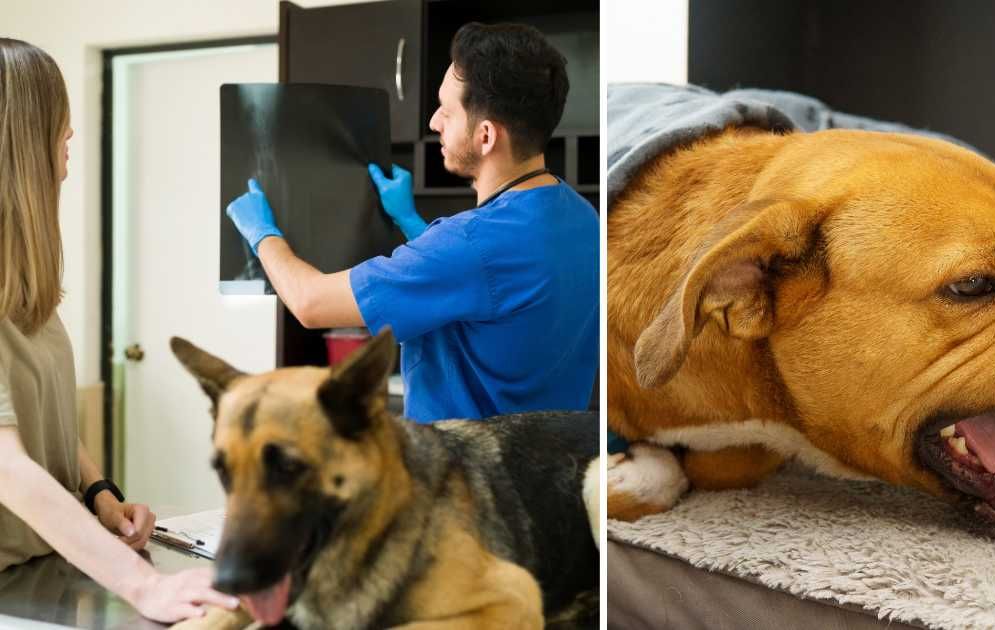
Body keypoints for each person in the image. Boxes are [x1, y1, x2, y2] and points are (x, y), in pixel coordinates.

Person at [226, 23, 599, 422]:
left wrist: (262, 233)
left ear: (486, 136)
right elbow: (483, 288)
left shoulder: (469, 244)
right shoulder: (582, 217)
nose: (434, 123)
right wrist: (408, 220)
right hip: (551, 467)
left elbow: (310, 303)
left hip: (465, 475)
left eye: (447, 112)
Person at [0, 38, 239, 622]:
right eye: (61, 122)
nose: (71, 136)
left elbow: (43, 416)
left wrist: (99, 494)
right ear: (24, 137)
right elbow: (8, 466)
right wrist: (144, 586)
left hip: (39, 566)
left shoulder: (23, 286)